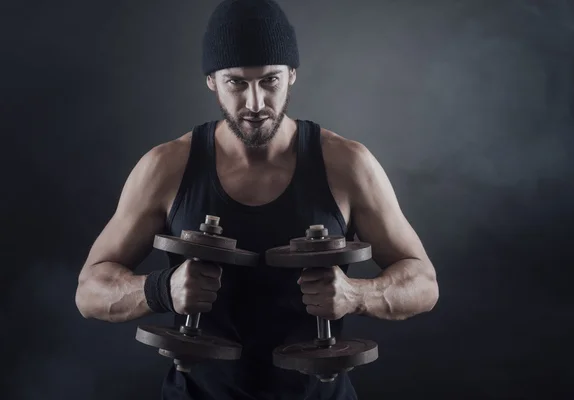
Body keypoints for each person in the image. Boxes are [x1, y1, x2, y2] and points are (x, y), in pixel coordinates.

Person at [75, 0, 439, 399]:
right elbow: (90, 291)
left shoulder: (347, 164)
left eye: (270, 81)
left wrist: (357, 295)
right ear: (211, 80)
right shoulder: (166, 167)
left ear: (292, 75)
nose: (254, 103)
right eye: (236, 82)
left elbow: (423, 282)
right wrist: (162, 289)